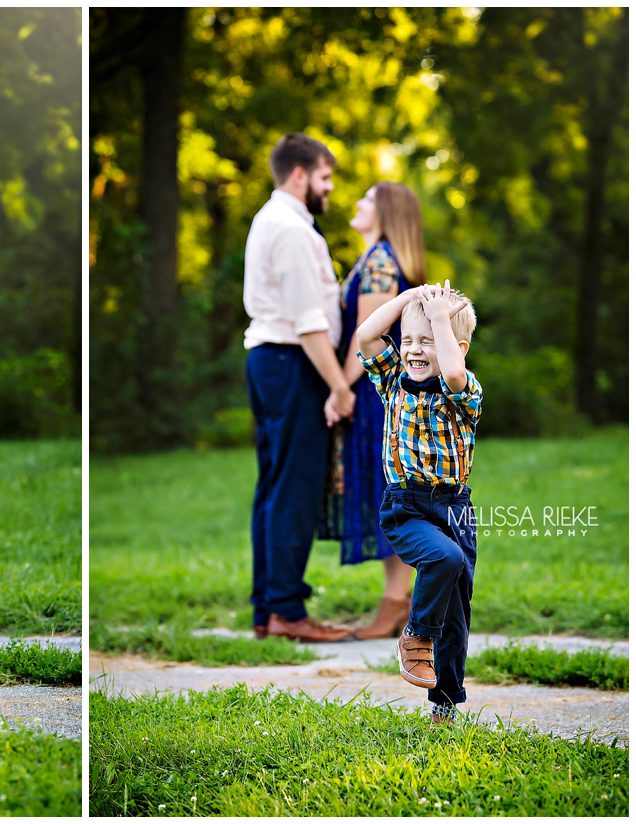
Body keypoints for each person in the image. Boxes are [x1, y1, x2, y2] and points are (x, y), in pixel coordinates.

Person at [242, 133, 354, 643]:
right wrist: (339, 386)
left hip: (275, 360)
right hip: (292, 362)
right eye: (326, 177)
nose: (330, 189)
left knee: (275, 484)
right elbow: (308, 322)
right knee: (295, 487)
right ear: (300, 175)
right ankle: (286, 610)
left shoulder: (278, 221)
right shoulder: (288, 227)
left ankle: (269, 608)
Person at [356, 281, 481, 724]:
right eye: (408, 340)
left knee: (456, 612)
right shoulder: (392, 382)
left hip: (453, 509)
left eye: (427, 341)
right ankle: (416, 637)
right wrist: (410, 300)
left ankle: (444, 706)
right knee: (443, 559)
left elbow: (451, 373)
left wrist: (441, 318)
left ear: (456, 346)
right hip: (405, 507)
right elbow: (367, 335)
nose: (413, 349)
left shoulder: (463, 393)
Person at [320, 183, 426, 639]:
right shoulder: (374, 258)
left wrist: (339, 387)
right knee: (387, 494)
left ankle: (396, 604)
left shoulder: (382, 261)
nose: (356, 203)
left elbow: (370, 337)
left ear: (384, 211)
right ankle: (396, 603)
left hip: (373, 392)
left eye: (365, 198)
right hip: (373, 391)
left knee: (391, 492)